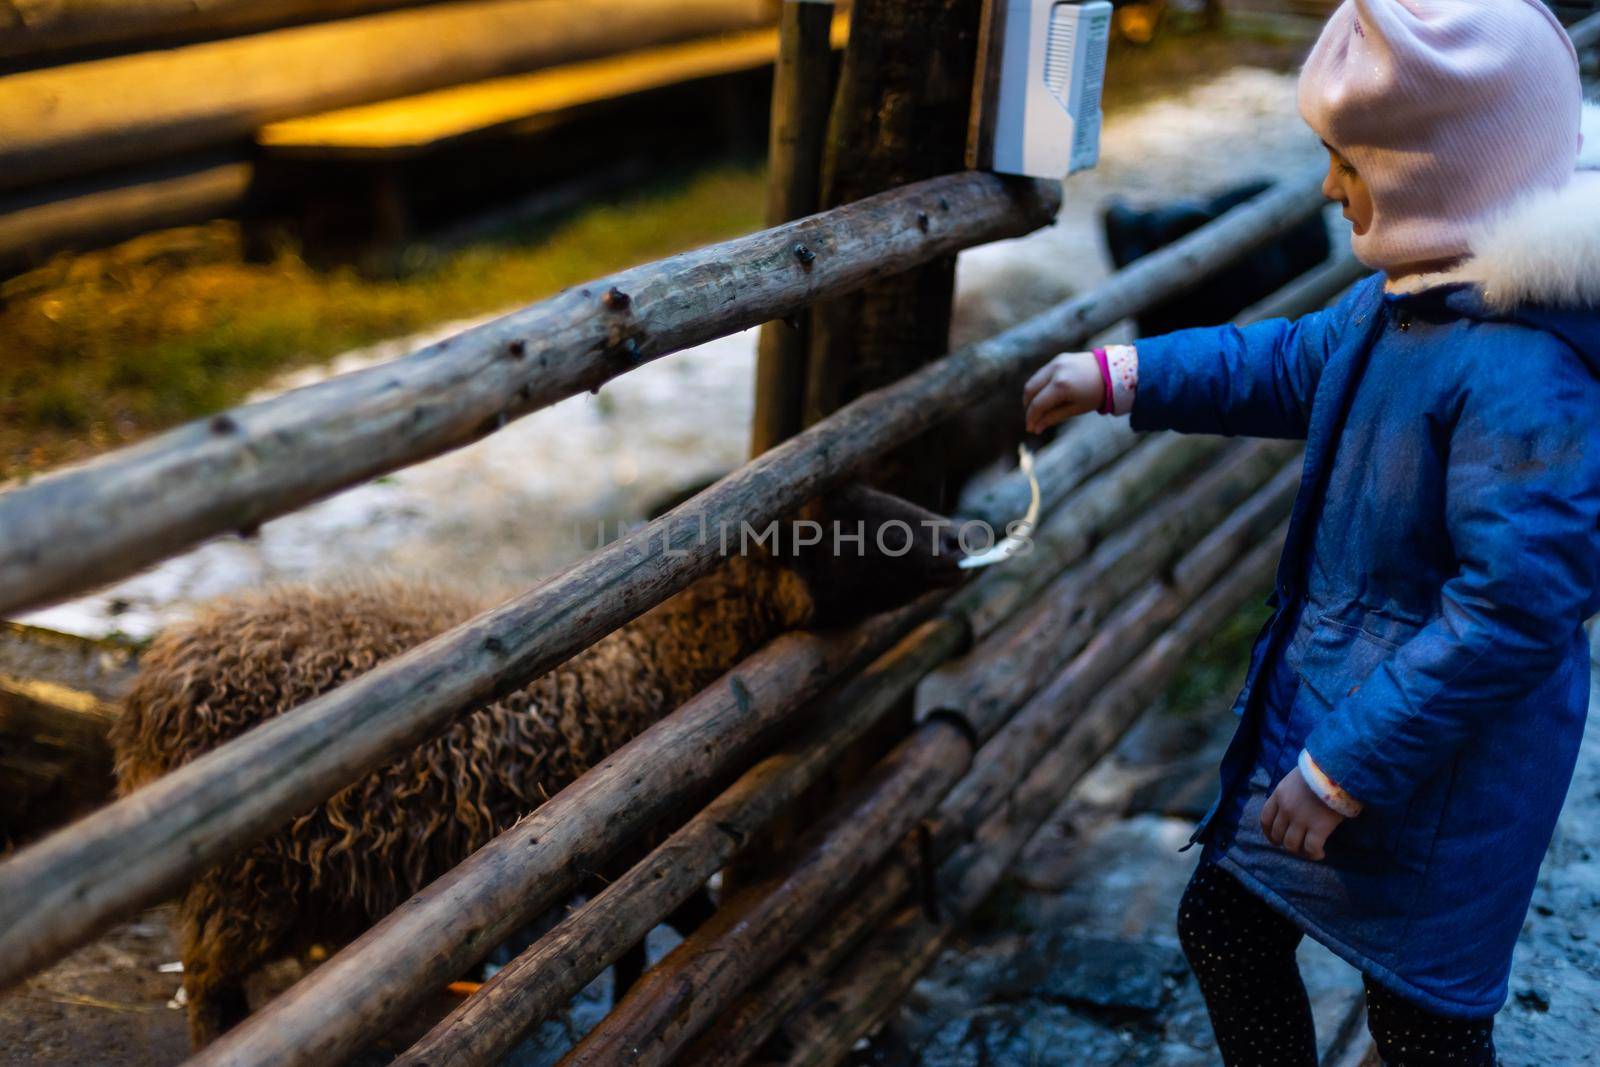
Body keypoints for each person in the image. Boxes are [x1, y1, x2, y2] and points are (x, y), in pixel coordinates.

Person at [1022, 1, 1600, 1063]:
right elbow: (1286, 361)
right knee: (1223, 922)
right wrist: (1120, 376)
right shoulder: (1415, 299)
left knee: (1420, 1021)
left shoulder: (1522, 369)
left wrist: (1340, 769)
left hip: (1436, 770)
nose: (1329, 188)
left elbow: (1514, 609)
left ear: (1437, 169)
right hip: (1352, 705)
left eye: (1348, 162)